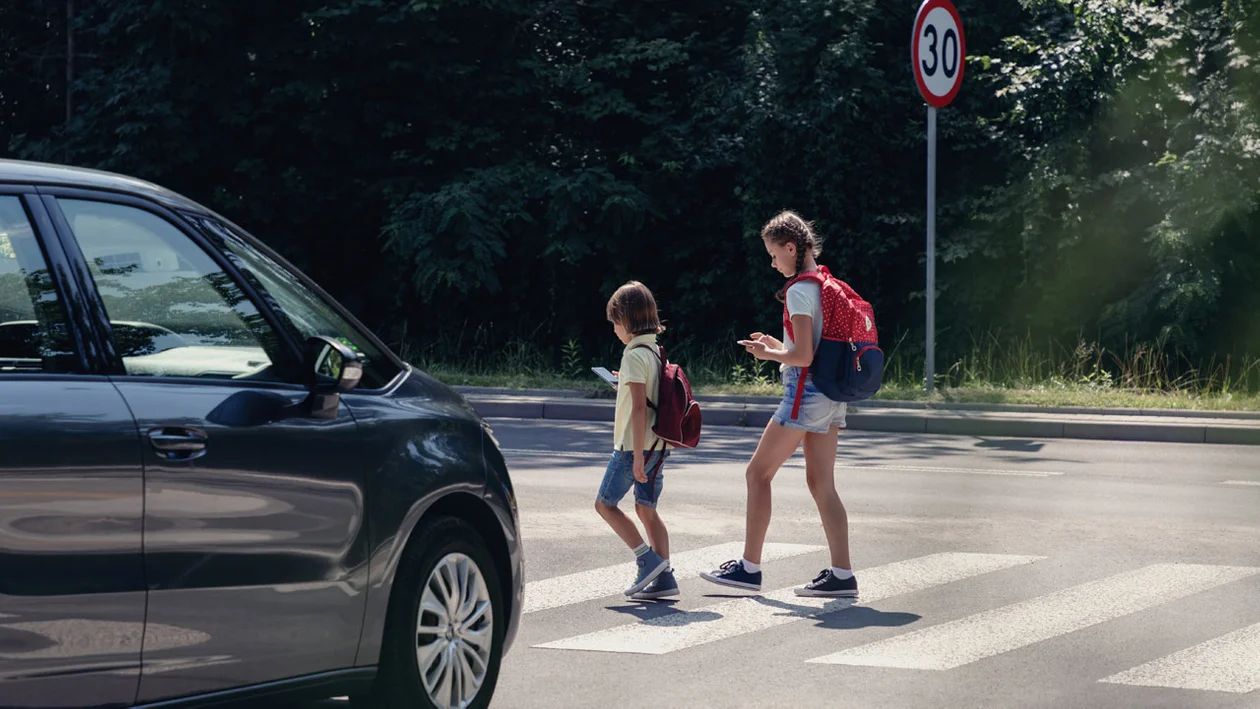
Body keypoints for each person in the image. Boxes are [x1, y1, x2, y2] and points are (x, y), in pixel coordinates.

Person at [700, 211, 857, 597]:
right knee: (822, 485)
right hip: (833, 394)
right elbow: (811, 348)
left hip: (806, 393)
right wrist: (777, 345)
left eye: (774, 254)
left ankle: (748, 570)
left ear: (791, 247)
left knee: (757, 474)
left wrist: (768, 354)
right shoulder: (825, 282)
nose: (772, 263)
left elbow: (802, 357)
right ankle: (842, 576)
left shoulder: (800, 290)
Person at [596, 280, 677, 599]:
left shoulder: (633, 355)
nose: (614, 330)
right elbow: (649, 395)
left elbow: (640, 407)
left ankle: (647, 560)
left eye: (615, 323)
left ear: (626, 321)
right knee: (647, 509)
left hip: (635, 447)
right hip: (659, 444)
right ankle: (665, 578)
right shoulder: (655, 350)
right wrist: (624, 382)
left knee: (604, 504)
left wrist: (638, 457)